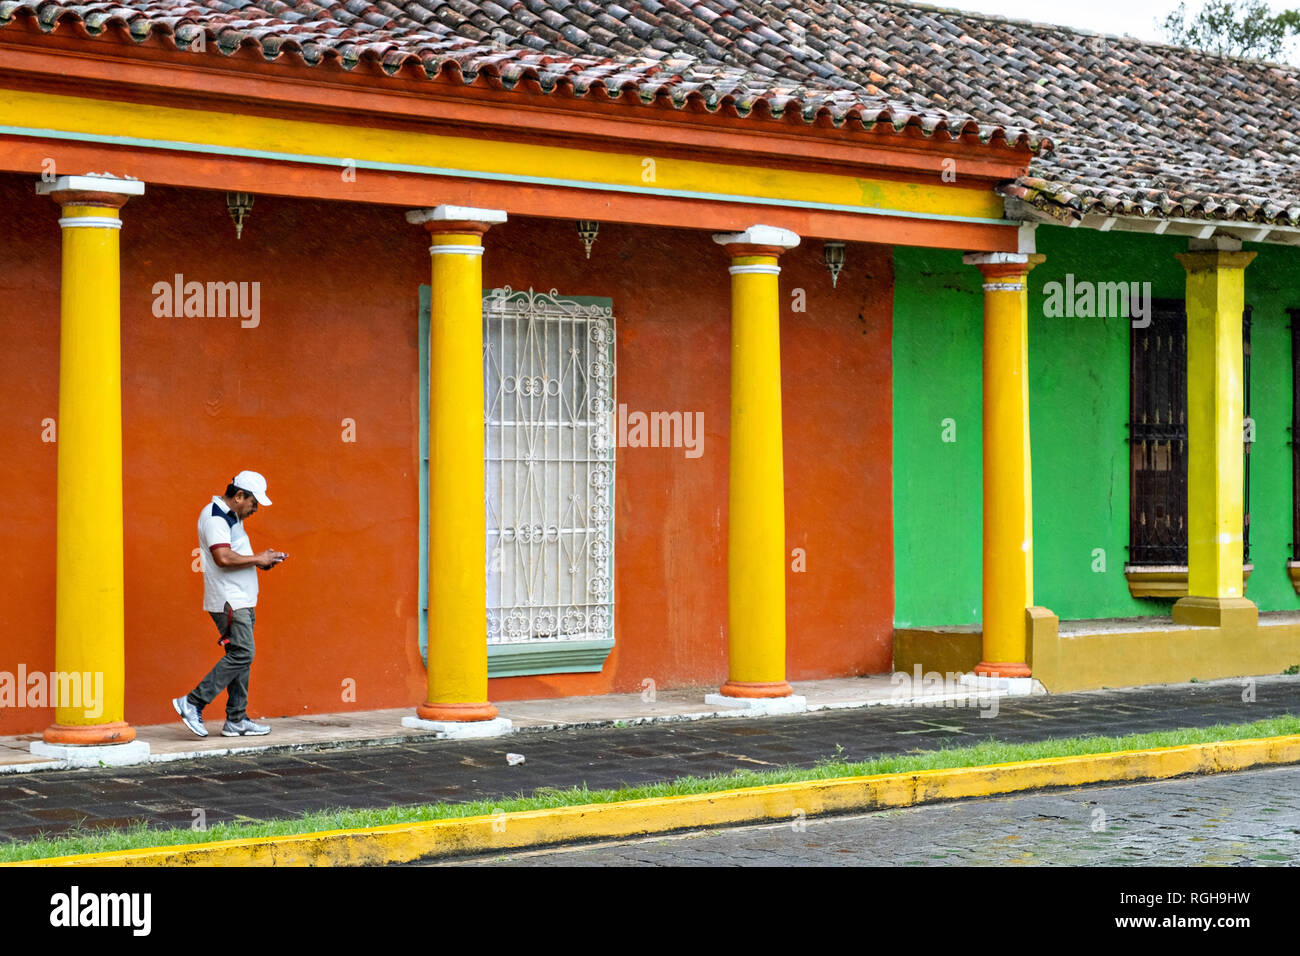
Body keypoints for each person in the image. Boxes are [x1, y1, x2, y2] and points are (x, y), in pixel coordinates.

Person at [172, 470, 287, 738]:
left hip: (240, 598)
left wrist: (262, 561)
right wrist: (258, 558)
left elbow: (233, 556)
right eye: (253, 502)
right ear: (238, 496)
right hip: (229, 600)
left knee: (240, 658)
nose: (255, 508)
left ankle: (237, 719)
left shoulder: (228, 515)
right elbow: (222, 557)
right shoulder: (215, 516)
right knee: (243, 654)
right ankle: (193, 702)